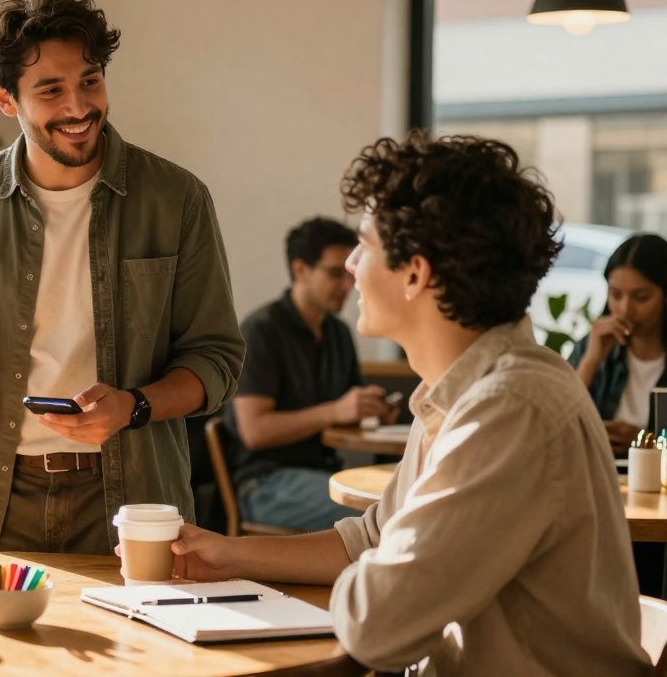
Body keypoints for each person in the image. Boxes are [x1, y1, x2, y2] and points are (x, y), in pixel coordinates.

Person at [159, 132, 647, 675]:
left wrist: (374, 574)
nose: (350, 265)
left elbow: (377, 623)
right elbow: (370, 539)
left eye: (365, 243)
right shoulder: (460, 391)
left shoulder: (511, 408)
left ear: (416, 272)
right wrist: (229, 554)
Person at [0, 0, 245, 555]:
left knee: (139, 648)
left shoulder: (176, 199)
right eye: (51, 90)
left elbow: (217, 359)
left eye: (90, 80)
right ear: (6, 99)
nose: (78, 107)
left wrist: (133, 406)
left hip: (133, 503)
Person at [225, 216, 395, 531]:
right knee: (383, 513)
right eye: (334, 273)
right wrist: (336, 410)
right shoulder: (261, 330)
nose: (348, 285)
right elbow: (254, 431)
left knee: (400, 500)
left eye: (348, 274)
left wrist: (372, 410)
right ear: (300, 270)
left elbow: (346, 410)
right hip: (265, 484)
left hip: (324, 474)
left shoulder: (339, 332)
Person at [570, 233, 667, 454]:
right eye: (615, 295)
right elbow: (558, 424)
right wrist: (591, 362)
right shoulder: (592, 345)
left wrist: (646, 443)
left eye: (641, 297)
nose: (625, 309)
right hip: (602, 477)